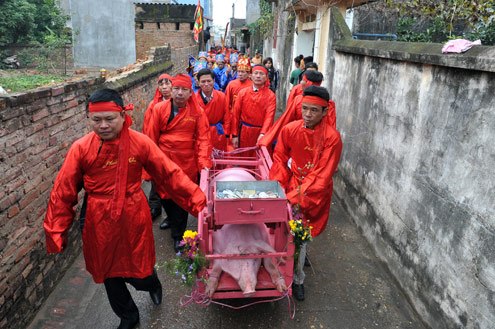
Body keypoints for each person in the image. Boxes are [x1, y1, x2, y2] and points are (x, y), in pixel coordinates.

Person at [43, 88, 207, 329]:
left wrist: (198, 199)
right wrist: (56, 229)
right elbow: (63, 190)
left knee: (138, 269)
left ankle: (151, 283)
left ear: (123, 115)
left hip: (132, 212)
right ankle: (128, 316)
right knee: (108, 272)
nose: (103, 125)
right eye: (96, 120)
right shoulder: (80, 148)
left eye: (110, 119)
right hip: (96, 215)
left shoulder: (140, 143)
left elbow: (169, 173)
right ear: (89, 119)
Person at [269, 86, 342, 302]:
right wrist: (280, 188)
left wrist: (295, 197)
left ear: (325, 111)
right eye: (304, 109)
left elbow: (322, 176)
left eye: (313, 110)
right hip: (292, 185)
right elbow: (279, 159)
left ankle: (298, 278)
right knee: (291, 234)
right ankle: (294, 273)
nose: (307, 115)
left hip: (314, 193)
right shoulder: (290, 129)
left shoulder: (332, 138)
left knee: (302, 234)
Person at [148, 74, 212, 248]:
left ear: (191, 93)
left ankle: (179, 234)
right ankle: (172, 220)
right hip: (164, 160)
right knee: (165, 196)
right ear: (171, 89)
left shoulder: (197, 112)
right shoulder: (159, 108)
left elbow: (203, 139)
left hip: (186, 161)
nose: (180, 93)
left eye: (184, 90)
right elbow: (151, 137)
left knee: (183, 197)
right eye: (176, 89)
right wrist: (149, 164)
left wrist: (203, 164)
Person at [258, 70, 334, 148]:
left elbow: (330, 126)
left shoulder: (327, 104)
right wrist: (267, 138)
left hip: (316, 142)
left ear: (309, 83)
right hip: (299, 137)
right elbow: (285, 119)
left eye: (303, 80)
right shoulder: (299, 98)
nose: (301, 82)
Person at [142, 73, 173, 221]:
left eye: (167, 84)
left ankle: (171, 213)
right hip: (157, 145)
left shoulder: (178, 102)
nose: (165, 87)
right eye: (162, 85)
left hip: (173, 147)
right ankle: (155, 206)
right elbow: (148, 127)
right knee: (156, 176)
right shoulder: (153, 105)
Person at [231, 64, 276, 157]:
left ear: (266, 77)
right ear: (251, 76)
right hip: (244, 132)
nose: (258, 76)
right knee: (244, 159)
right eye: (256, 73)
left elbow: (269, 117)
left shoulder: (271, 96)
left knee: (259, 160)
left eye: (261, 74)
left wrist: (263, 134)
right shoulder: (243, 93)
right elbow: (235, 114)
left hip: (261, 133)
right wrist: (235, 135)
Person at [195, 68, 230, 151]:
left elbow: (227, 116)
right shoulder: (193, 99)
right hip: (200, 135)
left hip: (218, 134)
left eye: (209, 81)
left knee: (219, 159)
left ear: (214, 81)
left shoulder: (222, 96)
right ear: (198, 83)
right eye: (203, 81)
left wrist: (226, 133)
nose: (206, 84)